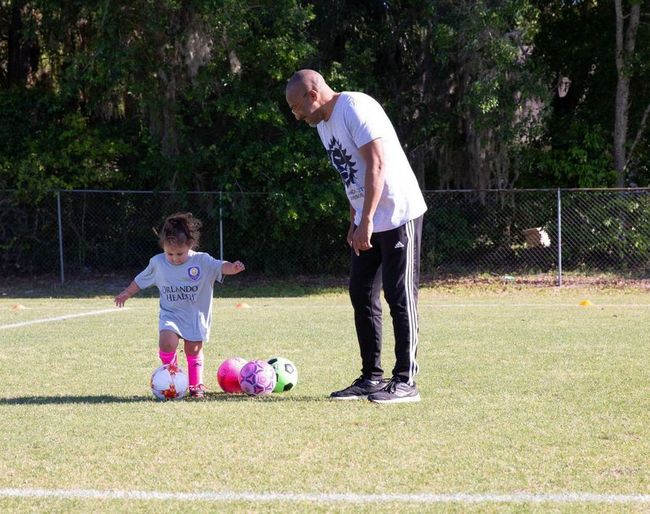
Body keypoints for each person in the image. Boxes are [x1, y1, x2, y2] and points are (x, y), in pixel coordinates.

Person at [285, 69, 427, 404]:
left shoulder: (356, 107)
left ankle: (406, 380)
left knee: (399, 295)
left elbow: (377, 165)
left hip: (396, 214)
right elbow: (351, 175)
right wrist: (354, 220)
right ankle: (371, 378)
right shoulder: (323, 125)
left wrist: (367, 221)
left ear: (312, 94)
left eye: (296, 107)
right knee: (361, 293)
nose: (296, 115)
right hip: (366, 219)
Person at [114, 212, 245, 398]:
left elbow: (220, 266)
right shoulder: (158, 262)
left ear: (190, 245)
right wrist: (127, 292)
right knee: (166, 343)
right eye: (169, 253)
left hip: (195, 316)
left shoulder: (202, 260)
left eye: (179, 254)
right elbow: (141, 280)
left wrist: (233, 267)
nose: (174, 258)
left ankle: (195, 385)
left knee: (193, 349)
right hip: (171, 314)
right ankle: (171, 376)